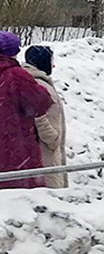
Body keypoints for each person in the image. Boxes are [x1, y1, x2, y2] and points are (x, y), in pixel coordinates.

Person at [0, 31, 54, 189]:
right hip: (14, 146)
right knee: (20, 198)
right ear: (13, 53)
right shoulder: (16, 76)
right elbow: (41, 103)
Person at [23, 45, 68, 188]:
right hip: (46, 151)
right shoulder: (40, 86)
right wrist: (53, 139)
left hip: (39, 150)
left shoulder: (30, 82)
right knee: (51, 194)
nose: (53, 65)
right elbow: (39, 116)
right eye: (50, 61)